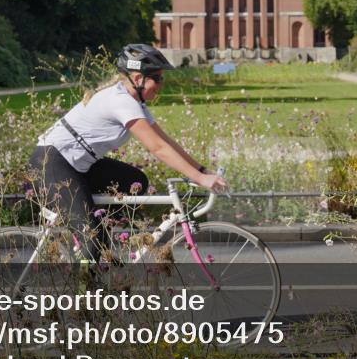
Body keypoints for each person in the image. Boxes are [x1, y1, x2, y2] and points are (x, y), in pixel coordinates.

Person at [30, 44, 228, 260]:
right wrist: (199, 178)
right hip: (51, 161)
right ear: (137, 78)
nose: (161, 85)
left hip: (78, 165)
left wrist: (201, 170)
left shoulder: (135, 103)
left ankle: (99, 240)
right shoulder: (122, 102)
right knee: (92, 236)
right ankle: (84, 286)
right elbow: (157, 148)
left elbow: (166, 141)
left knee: (135, 182)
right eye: (158, 78)